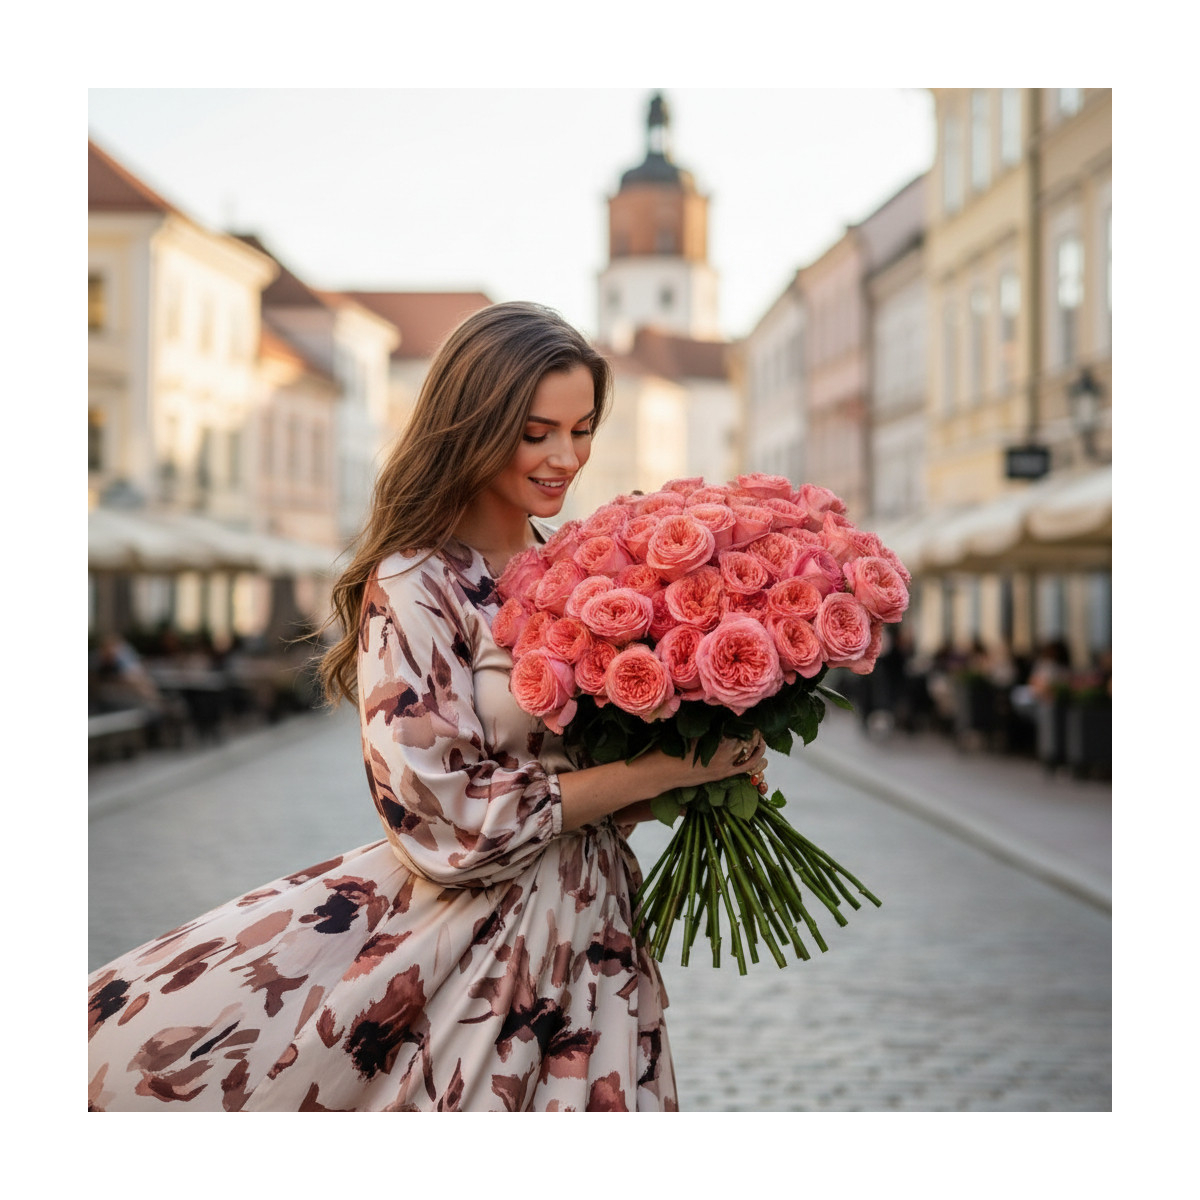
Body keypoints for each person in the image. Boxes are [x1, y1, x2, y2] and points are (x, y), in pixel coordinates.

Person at [87, 302, 767, 1112]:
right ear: (475, 424)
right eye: (536, 431)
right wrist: (652, 768)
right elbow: (440, 817)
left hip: (599, 928)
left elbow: (587, 787)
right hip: (477, 952)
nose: (566, 457)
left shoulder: (582, 569)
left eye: (581, 429)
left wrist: (695, 779)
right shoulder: (416, 583)